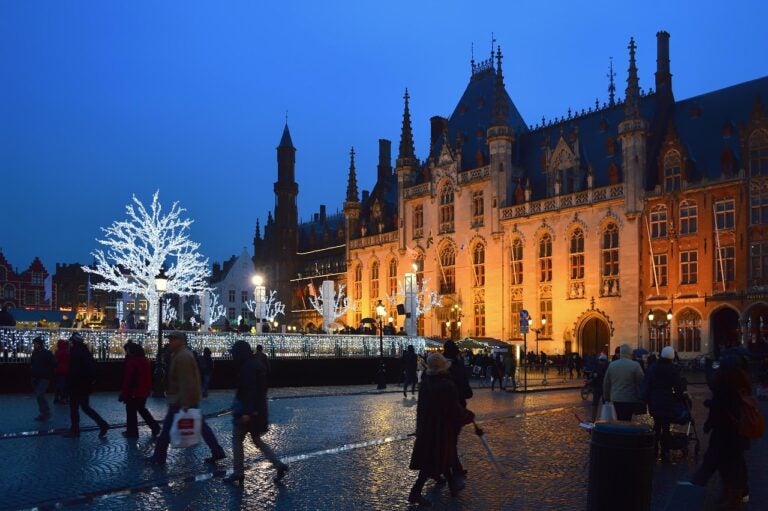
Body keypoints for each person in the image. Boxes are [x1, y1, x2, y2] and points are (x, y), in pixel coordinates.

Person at [146, 331, 225, 466]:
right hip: (184, 398)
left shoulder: (182, 356)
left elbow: (186, 380)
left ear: (179, 341)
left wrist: (185, 402)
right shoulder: (181, 354)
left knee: (167, 429)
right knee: (201, 427)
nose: (169, 342)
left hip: (181, 400)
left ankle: (159, 456)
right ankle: (217, 451)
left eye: (172, 340)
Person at [408, 353, 474, 506]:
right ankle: (415, 492)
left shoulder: (425, 384)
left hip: (427, 427)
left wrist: (419, 428)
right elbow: (454, 408)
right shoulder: (446, 385)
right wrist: (467, 416)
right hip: (442, 428)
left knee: (442, 457)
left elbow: (420, 409)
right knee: (435, 459)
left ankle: (452, 486)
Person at [691, 355, 753, 506]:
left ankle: (691, 493)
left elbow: (719, 408)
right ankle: (738, 493)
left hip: (723, 434)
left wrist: (708, 422)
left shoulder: (723, 385)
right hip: (738, 433)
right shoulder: (743, 383)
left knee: (712, 464)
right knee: (734, 464)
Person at [223, 340, 288, 485]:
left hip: (247, 411)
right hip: (257, 411)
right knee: (257, 440)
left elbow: (249, 391)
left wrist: (247, 412)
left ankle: (238, 472)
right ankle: (278, 464)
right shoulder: (256, 364)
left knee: (237, 440)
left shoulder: (247, 368)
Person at [642, 345, 686, 462]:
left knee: (657, 425)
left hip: (654, 399)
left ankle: (654, 449)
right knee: (666, 427)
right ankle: (665, 451)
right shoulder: (673, 369)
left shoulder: (653, 367)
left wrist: (646, 399)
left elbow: (647, 383)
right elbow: (678, 386)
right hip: (667, 399)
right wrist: (680, 397)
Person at [64, 332, 109, 438]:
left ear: (74, 342)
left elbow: (74, 371)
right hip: (85, 385)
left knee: (74, 408)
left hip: (76, 384)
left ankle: (75, 430)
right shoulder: (85, 351)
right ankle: (102, 424)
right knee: (85, 407)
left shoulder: (75, 352)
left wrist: (69, 383)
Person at [442, 340, 472, 478]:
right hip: (453, 408)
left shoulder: (443, 365)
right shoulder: (453, 365)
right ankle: (453, 469)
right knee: (450, 440)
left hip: (450, 408)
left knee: (449, 440)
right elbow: (463, 386)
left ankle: (452, 468)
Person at [119, 343, 160, 438]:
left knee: (131, 411)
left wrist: (124, 393)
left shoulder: (132, 361)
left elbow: (129, 379)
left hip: (134, 391)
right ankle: (155, 427)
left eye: (127, 350)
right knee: (141, 409)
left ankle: (132, 432)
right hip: (143, 390)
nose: (126, 352)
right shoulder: (144, 360)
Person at [603, 343, 645, 421]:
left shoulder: (612, 365)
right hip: (630, 397)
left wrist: (606, 396)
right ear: (630, 353)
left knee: (618, 417)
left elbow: (606, 383)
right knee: (627, 418)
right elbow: (641, 381)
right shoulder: (635, 365)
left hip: (616, 397)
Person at [30, 337, 56, 421]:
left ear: (39, 344)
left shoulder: (47, 353)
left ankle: (46, 412)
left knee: (40, 395)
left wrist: (46, 371)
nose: (34, 345)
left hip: (44, 377)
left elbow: (53, 364)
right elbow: (32, 363)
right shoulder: (35, 353)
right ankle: (44, 413)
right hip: (36, 376)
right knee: (39, 396)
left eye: (35, 344)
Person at [590, 354, 609, 422]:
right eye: (600, 360)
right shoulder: (598, 366)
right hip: (598, 387)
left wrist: (596, 375)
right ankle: (594, 418)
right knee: (596, 403)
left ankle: (604, 418)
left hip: (602, 387)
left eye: (602, 360)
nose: (601, 362)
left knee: (604, 403)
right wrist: (593, 375)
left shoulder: (607, 367)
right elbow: (593, 374)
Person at [53, 339, 70, 405]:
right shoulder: (67, 352)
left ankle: (57, 397)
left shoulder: (57, 351)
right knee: (64, 385)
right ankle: (64, 398)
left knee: (58, 384)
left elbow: (55, 360)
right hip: (66, 370)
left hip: (58, 370)